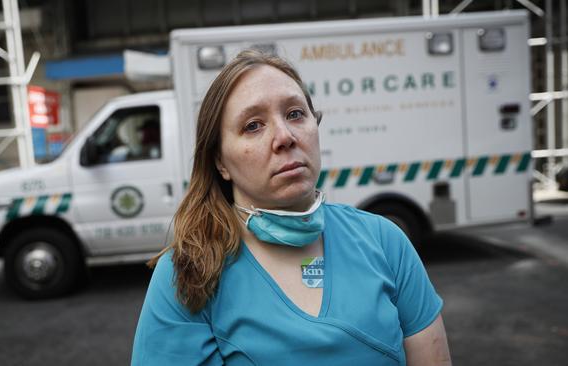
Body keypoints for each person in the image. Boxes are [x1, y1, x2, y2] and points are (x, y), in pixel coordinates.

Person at [131, 50, 451, 365]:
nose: (285, 136)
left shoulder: (385, 242)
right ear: (219, 161)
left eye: (296, 114)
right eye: (253, 125)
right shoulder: (187, 271)